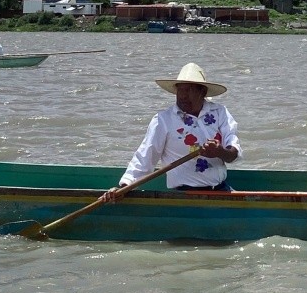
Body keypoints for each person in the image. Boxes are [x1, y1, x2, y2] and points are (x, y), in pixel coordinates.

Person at [102, 62, 241, 199]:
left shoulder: (219, 113)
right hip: (184, 196)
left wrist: (220, 152)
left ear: (202, 92)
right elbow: (145, 158)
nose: (183, 96)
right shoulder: (163, 120)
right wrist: (124, 187)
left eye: (189, 90)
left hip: (221, 190)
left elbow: (233, 153)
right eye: (180, 90)